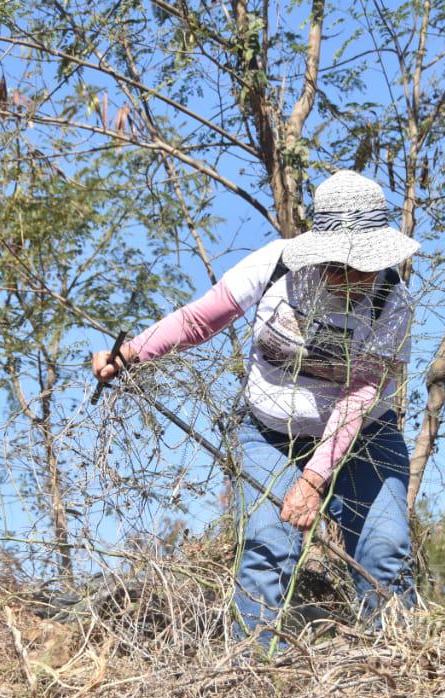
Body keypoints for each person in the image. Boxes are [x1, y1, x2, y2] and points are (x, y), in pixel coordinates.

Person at [91, 170, 419, 645]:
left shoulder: (394, 304)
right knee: (266, 547)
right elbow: (201, 319)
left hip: (364, 434)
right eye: (338, 265)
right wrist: (130, 354)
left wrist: (312, 481)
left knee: (385, 550)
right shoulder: (276, 268)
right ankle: (258, 674)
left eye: (362, 265)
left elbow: (359, 396)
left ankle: (398, 670)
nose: (351, 278)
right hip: (271, 432)